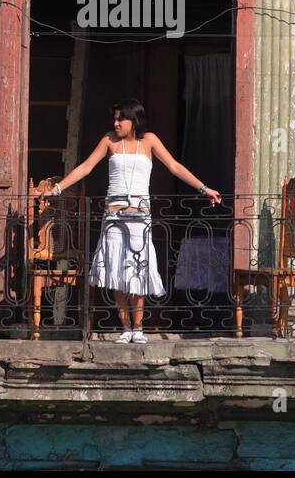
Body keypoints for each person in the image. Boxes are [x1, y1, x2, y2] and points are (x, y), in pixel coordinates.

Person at [51, 98, 221, 343]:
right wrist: (57, 188)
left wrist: (204, 189)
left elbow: (174, 166)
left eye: (121, 118)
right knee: (117, 271)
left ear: (134, 120)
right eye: (115, 118)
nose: (116, 123)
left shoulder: (149, 140)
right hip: (114, 215)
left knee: (138, 271)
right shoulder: (109, 140)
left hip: (139, 216)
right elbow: (86, 167)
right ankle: (125, 327)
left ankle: (138, 327)